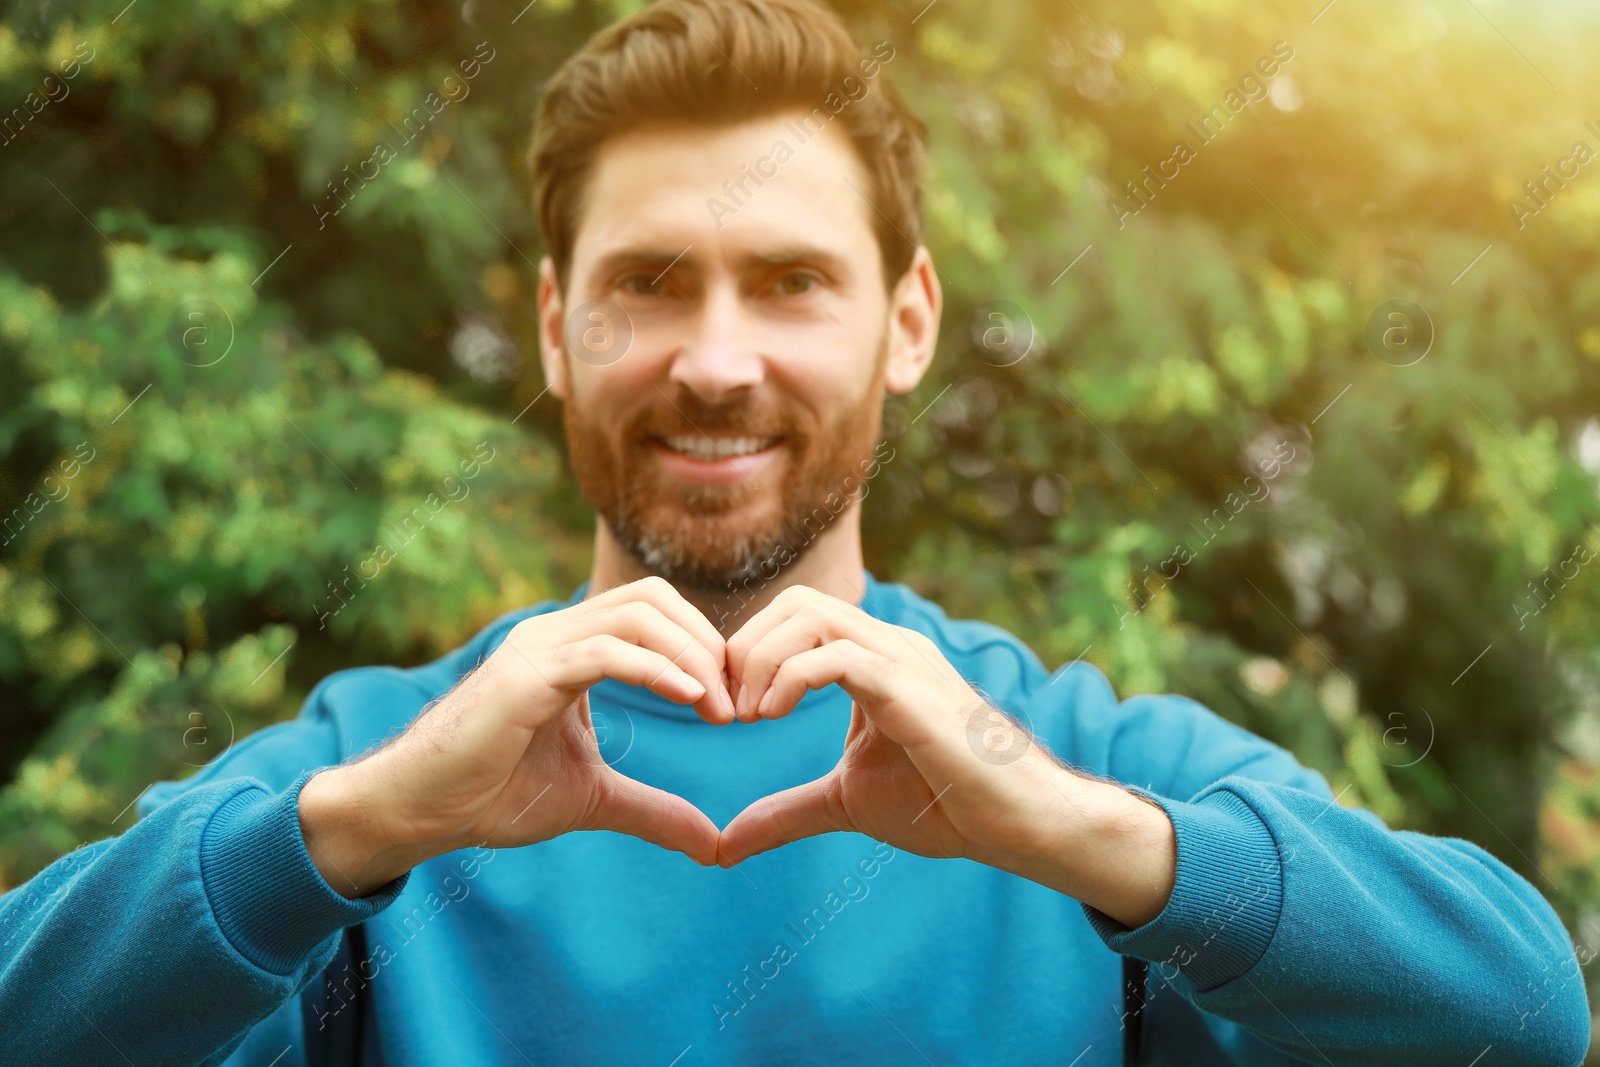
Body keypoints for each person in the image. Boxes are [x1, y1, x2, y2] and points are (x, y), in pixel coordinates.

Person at [0, 0, 1590, 1063]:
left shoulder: (1075, 763)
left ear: (907, 325)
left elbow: (1522, 1012)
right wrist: (338, 838)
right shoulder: (377, 776)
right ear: (554, 330)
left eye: (789, 281)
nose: (713, 358)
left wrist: (1089, 842)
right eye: (646, 284)